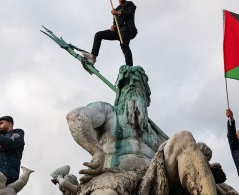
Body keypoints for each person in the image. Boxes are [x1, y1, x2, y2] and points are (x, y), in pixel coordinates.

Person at [64, 66, 218, 195]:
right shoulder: (108, 112)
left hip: (151, 178)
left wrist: (196, 150)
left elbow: (180, 155)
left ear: (146, 96)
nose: (130, 85)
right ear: (118, 93)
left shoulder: (153, 132)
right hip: (113, 176)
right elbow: (76, 116)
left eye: (137, 83)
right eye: (125, 83)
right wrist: (96, 151)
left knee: (183, 137)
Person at [82, 0, 137, 66]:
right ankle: (93, 57)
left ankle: (130, 67)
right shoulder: (116, 9)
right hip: (117, 31)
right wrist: (113, 26)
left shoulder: (130, 4)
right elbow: (116, 21)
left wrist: (117, 12)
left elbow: (130, 13)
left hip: (126, 29)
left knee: (124, 46)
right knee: (99, 35)